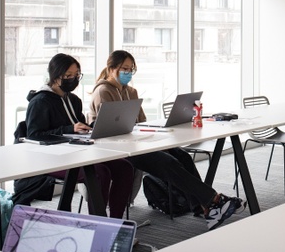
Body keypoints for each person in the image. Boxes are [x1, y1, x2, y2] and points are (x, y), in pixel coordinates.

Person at [88, 50, 245, 230]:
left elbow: (141, 121)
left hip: (137, 142)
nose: (128, 73)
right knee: (168, 163)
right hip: (116, 148)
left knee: (183, 157)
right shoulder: (103, 91)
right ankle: (213, 200)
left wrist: (152, 132)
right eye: (125, 69)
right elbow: (108, 128)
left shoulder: (131, 91)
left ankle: (203, 207)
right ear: (111, 68)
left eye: (131, 69)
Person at [24, 53, 135, 219]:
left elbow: (79, 125)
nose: (73, 79)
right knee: (100, 173)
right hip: (54, 158)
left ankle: (116, 222)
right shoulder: (40, 102)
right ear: (55, 75)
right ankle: (97, 223)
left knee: (125, 168)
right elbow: (33, 135)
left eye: (76, 75)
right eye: (68, 75)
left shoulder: (73, 100)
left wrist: (91, 128)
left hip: (78, 153)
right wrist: (69, 128)